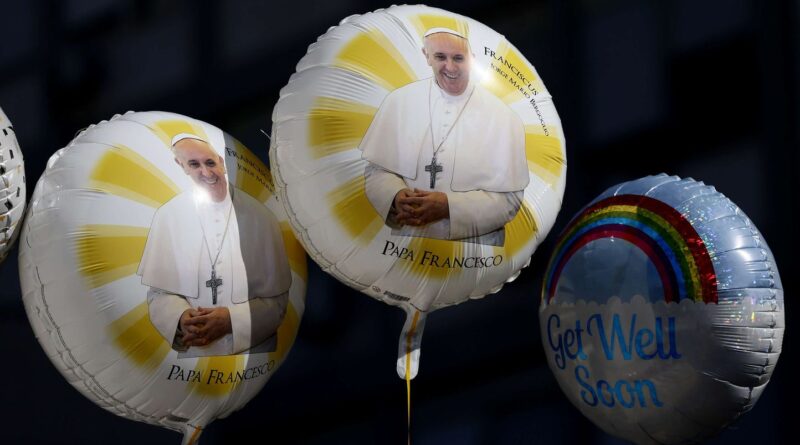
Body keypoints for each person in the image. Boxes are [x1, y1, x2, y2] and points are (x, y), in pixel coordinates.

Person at [360, 27, 529, 246]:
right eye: (440, 57)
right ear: (426, 56)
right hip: (406, 249)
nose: (449, 66)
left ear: (472, 59)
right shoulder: (399, 102)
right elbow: (377, 171)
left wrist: (448, 206)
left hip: (473, 255)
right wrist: (395, 196)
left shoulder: (504, 117)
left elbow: (510, 199)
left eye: (458, 58)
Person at [138, 133, 291, 357]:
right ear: (181, 166)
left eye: (210, 162)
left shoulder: (261, 217)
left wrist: (230, 320)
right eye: (194, 164)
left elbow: (277, 302)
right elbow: (159, 294)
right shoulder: (168, 216)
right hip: (194, 357)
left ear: (222, 161)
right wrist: (181, 318)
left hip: (253, 355)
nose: (206, 172)